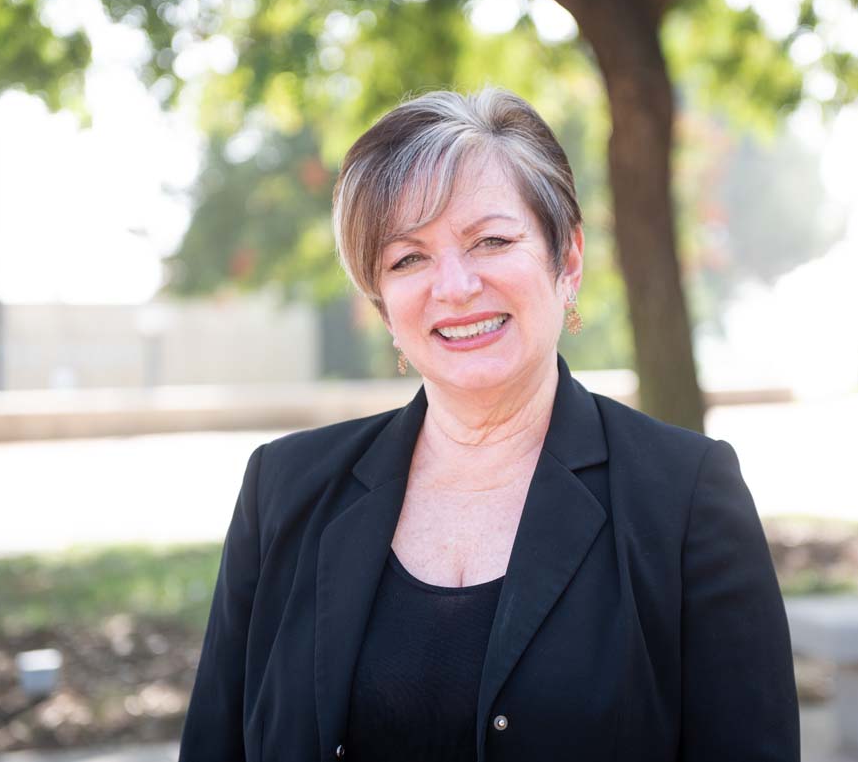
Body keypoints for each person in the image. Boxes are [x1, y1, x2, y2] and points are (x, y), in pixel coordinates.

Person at [178, 88, 799, 762]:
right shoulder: (281, 489)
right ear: (383, 306)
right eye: (407, 258)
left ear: (567, 259)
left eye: (492, 241)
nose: (454, 286)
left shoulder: (687, 497)